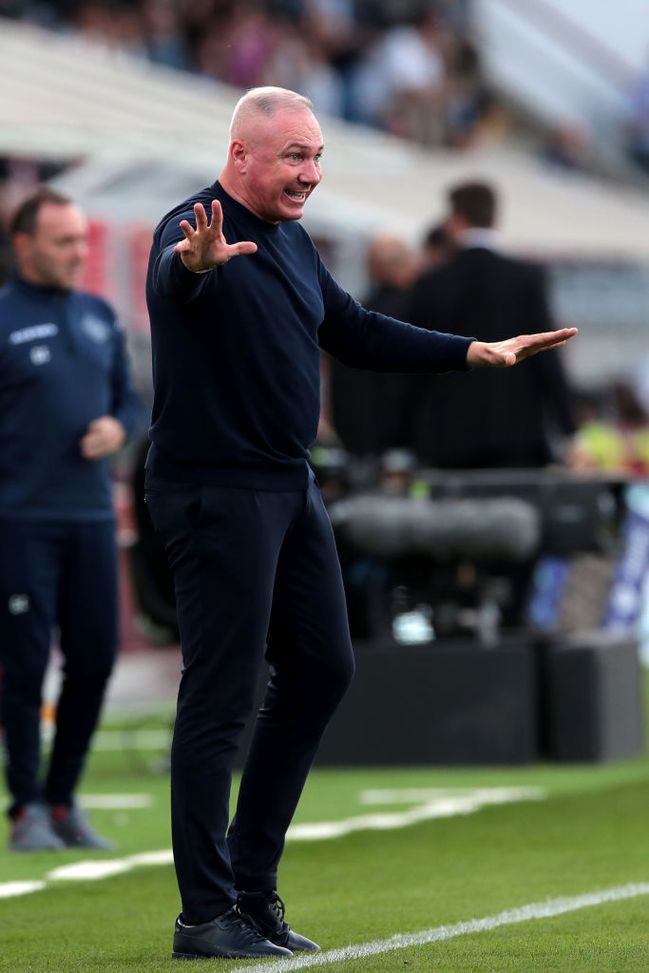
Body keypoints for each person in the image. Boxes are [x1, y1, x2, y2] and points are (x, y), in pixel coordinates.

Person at [144, 86, 577, 962]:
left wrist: (471, 352)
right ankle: (204, 914)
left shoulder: (294, 241)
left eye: (315, 156)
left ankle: (251, 889)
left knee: (322, 671)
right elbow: (172, 280)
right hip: (217, 488)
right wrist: (191, 266)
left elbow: (356, 328)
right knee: (221, 696)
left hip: (287, 483)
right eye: (293, 156)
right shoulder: (192, 226)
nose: (309, 172)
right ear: (241, 157)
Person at [0, 188, 141, 852]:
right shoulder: (2, 317)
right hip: (20, 519)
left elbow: (130, 403)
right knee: (25, 665)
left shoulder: (97, 314)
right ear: (23, 244)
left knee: (95, 658)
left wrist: (118, 426)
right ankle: (24, 804)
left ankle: (62, 800)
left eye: (82, 240)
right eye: (64, 242)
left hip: (89, 517)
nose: (78, 252)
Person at [404, 180, 577, 468]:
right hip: (518, 438)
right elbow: (547, 359)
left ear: (456, 220)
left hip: (448, 440)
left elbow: (413, 361)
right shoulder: (526, 279)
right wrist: (570, 430)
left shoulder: (430, 284)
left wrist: (402, 437)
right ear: (494, 218)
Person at [329, 233, 421, 456]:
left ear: (370, 268)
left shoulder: (350, 318)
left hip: (362, 442)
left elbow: (342, 388)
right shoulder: (423, 316)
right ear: (408, 266)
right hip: (414, 441)